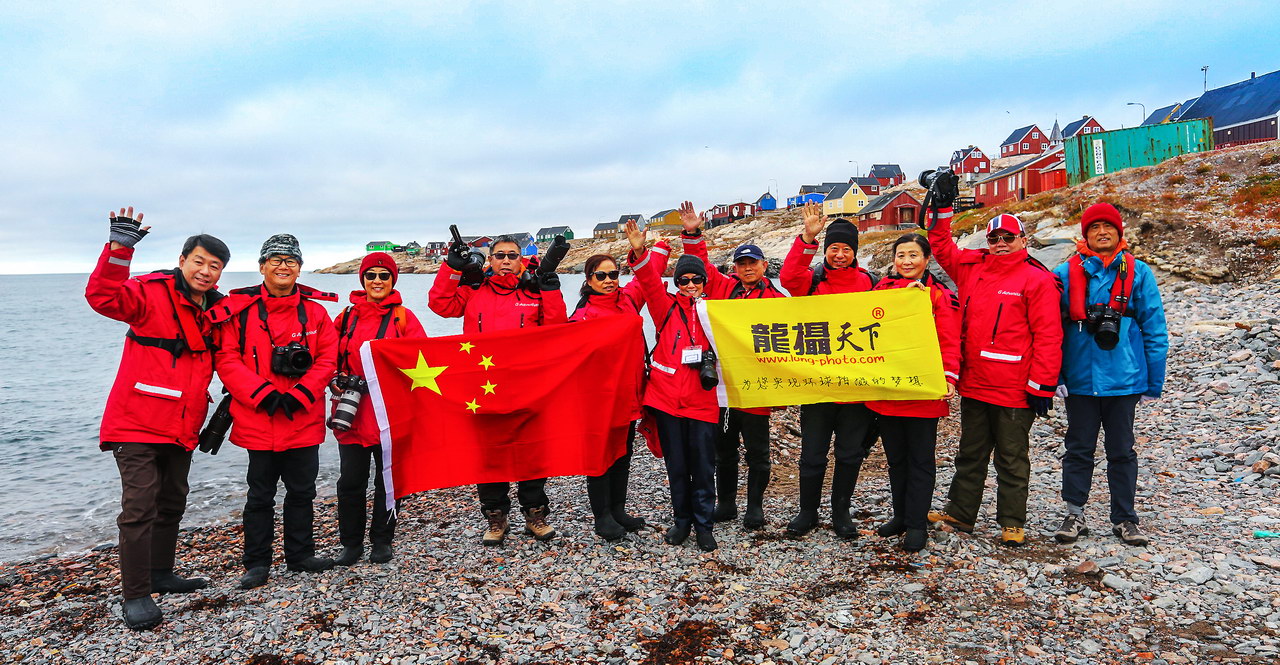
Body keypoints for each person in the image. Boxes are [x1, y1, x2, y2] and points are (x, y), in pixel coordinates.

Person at [86, 207, 229, 630]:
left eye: (215, 266)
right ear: (182, 260)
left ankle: (161, 574)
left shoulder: (217, 309)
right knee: (139, 506)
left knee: (172, 500)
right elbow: (103, 297)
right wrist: (119, 250)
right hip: (135, 422)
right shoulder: (149, 292)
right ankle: (135, 594)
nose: (205, 271)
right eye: (199, 261)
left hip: (182, 425)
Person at [922, 186, 1063, 547]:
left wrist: (1042, 385)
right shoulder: (972, 268)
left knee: (1011, 457)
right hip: (975, 383)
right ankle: (960, 513)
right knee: (970, 452)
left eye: (1008, 237)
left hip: (1015, 388)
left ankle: (1012, 521)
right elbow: (941, 246)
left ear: (1023, 240)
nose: (1001, 243)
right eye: (994, 238)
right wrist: (941, 210)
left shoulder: (1038, 279)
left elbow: (1049, 336)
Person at [210, 234, 339, 588]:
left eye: (291, 261)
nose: (284, 266)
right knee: (259, 496)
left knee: (303, 492)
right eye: (276, 260)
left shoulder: (316, 313)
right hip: (259, 417)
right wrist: (263, 394)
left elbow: (328, 358)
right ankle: (257, 563)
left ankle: (300, 555)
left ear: (299, 268)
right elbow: (226, 358)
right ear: (262, 266)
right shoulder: (240, 311)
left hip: (302, 416)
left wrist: (302, 393)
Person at [428, 235, 567, 546]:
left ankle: (535, 513)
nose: (506, 260)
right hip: (482, 388)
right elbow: (440, 305)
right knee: (489, 455)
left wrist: (551, 291)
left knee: (531, 451)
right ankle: (495, 515)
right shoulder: (473, 290)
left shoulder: (533, 292)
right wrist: (451, 267)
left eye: (512, 255)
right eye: (500, 255)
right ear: (490, 259)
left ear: (521, 260)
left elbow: (557, 328)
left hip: (527, 386)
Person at [1051, 203, 1167, 547]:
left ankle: (1125, 519)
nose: (1102, 232)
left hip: (1124, 379)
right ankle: (1074, 514)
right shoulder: (1063, 274)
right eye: (1094, 227)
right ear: (1084, 235)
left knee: (1122, 451)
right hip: (1080, 380)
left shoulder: (1139, 272)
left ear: (1119, 232)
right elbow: (1049, 330)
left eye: (1108, 227)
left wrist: (1154, 382)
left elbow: (1155, 329)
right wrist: (1055, 376)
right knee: (1078, 448)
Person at [675, 201, 786, 530]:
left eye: (753, 263)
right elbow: (703, 267)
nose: (747, 268)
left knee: (758, 452)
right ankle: (726, 504)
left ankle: (755, 507)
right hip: (723, 386)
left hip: (756, 389)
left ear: (764, 265)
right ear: (735, 267)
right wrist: (693, 234)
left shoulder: (778, 301)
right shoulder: (725, 288)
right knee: (723, 450)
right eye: (742, 263)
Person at [777, 201, 880, 539]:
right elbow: (788, 277)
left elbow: (896, 309)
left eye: (846, 249)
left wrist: (914, 291)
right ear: (826, 250)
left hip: (856, 389)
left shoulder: (870, 282)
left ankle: (840, 512)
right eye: (833, 248)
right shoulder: (811, 281)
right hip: (818, 387)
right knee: (812, 455)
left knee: (850, 454)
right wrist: (807, 238)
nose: (839, 255)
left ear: (855, 252)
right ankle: (807, 512)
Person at [569, 224, 670, 540]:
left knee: (623, 454)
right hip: (599, 400)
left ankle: (618, 510)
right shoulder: (582, 316)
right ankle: (602, 517)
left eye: (613, 274)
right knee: (601, 457)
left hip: (628, 395)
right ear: (589, 280)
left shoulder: (627, 300)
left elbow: (648, 277)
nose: (609, 280)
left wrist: (649, 249)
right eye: (601, 275)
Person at [330, 252, 427, 565]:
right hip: (353, 413)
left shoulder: (404, 318)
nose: (377, 281)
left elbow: (422, 362)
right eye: (370, 275)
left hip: (390, 413)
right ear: (362, 279)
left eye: (384, 276)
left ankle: (382, 540)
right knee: (349, 482)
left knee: (388, 481)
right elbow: (326, 356)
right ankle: (351, 544)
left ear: (392, 280)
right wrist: (333, 379)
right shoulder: (345, 317)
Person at [866, 234, 960, 552]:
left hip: (922, 389)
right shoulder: (881, 290)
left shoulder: (939, 294)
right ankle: (901, 516)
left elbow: (949, 338)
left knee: (920, 460)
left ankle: (917, 523)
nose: (906, 261)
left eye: (913, 255)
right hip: (889, 389)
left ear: (926, 259)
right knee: (896, 459)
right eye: (901, 255)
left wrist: (949, 376)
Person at [630, 235, 722, 552]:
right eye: (684, 279)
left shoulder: (717, 310)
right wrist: (641, 251)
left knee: (704, 468)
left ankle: (704, 525)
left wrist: (694, 238)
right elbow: (647, 280)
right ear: (676, 282)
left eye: (697, 279)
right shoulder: (664, 307)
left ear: (705, 281)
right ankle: (682, 522)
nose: (691, 284)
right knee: (677, 467)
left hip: (703, 402)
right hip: (667, 400)